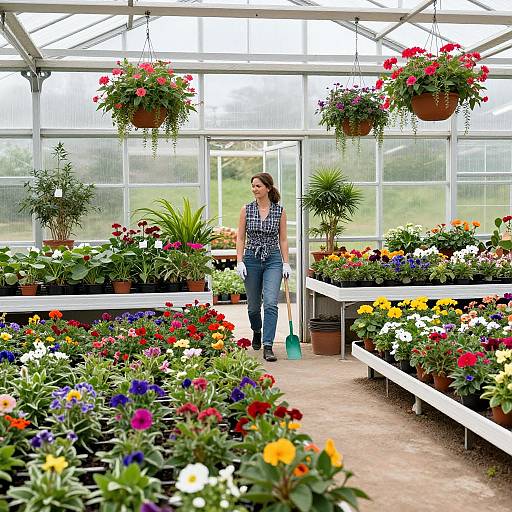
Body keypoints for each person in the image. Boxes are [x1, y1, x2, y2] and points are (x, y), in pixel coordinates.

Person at [235, 172, 292, 362]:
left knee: (270, 302)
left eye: (258, 186)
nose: (254, 189)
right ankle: (256, 330)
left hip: (273, 258)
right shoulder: (246, 209)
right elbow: (241, 237)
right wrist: (240, 260)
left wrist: (286, 262)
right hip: (251, 258)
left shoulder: (279, 211)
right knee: (253, 307)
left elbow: (283, 239)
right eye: (253, 186)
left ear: (268, 188)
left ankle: (268, 345)